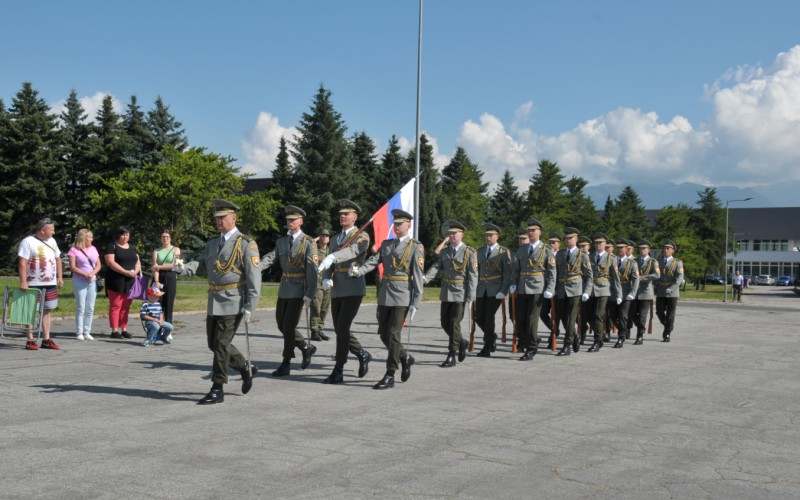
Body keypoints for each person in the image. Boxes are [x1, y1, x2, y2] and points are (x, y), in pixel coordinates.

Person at [197, 200, 261, 405]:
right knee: (213, 344)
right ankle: (244, 367)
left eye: (222, 217)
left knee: (222, 345)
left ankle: (217, 388)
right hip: (214, 300)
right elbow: (199, 265)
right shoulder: (212, 244)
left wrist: (250, 306)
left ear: (234, 218)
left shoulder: (245, 243)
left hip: (234, 300)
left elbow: (254, 277)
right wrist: (177, 266)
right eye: (216, 218)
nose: (219, 221)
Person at [352, 209, 424, 389]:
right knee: (384, 335)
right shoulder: (386, 244)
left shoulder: (416, 246)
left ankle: (390, 373)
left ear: (408, 225)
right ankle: (405, 357)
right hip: (385, 295)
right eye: (395, 223)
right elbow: (374, 261)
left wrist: (416, 302)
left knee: (393, 333)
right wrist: (359, 271)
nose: (397, 226)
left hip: (402, 296)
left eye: (400, 224)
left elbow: (417, 275)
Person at [317, 199, 373, 384]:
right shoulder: (335, 239)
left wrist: (333, 255)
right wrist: (326, 276)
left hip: (353, 286)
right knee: (340, 329)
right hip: (337, 288)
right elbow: (330, 264)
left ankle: (338, 369)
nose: (342, 216)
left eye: (346, 214)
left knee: (342, 329)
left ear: (354, 217)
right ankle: (361, 353)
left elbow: (352, 252)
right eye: (341, 213)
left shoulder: (362, 236)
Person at [260, 205, 318, 377]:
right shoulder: (282, 241)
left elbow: (312, 269)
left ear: (300, 221)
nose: (290, 222)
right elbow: (272, 257)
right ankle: (305, 347)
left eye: (293, 219)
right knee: (281, 324)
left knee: (289, 325)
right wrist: (257, 267)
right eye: (288, 220)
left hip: (299, 288)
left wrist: (310, 293)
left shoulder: (308, 242)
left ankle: (286, 362)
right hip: (285, 286)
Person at [423, 220, 478, 367]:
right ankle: (461, 342)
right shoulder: (445, 252)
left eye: (455, 233)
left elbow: (473, 276)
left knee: (454, 322)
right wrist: (425, 279)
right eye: (450, 233)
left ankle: (452, 353)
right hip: (446, 291)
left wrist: (471, 296)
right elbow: (436, 267)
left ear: (462, 234)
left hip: (460, 292)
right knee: (444, 323)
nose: (452, 235)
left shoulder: (469, 252)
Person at [510, 218, 556, 360]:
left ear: (539, 232)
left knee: (531, 319)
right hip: (523, 287)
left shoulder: (547, 250)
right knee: (519, 319)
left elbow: (551, 271)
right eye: (529, 230)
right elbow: (516, 269)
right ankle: (533, 340)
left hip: (537, 287)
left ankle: (531, 348)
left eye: (533, 230)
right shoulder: (522, 249)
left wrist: (550, 288)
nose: (530, 233)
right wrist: (513, 283)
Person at [17, 217, 63, 350]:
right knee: (30, 310)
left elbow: (58, 259)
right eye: (52, 230)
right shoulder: (27, 242)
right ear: (42, 230)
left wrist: (59, 277)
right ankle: (30, 339)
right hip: (33, 282)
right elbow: (22, 262)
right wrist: (23, 281)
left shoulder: (52, 241)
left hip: (50, 283)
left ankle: (46, 339)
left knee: (47, 310)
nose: (54, 232)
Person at [474, 223, 513, 357]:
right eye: (486, 235)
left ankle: (487, 345)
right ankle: (492, 336)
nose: (488, 237)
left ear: (497, 236)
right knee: (478, 317)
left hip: (496, 289)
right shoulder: (479, 251)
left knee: (489, 316)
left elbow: (507, 274)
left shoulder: (503, 252)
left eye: (491, 235)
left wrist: (504, 290)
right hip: (481, 289)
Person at [554, 227, 593, 356]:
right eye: (567, 238)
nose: (568, 240)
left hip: (575, 288)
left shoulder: (582, 255)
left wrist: (587, 291)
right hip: (561, 289)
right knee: (563, 317)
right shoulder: (560, 254)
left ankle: (567, 344)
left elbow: (588, 275)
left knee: (571, 317)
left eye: (571, 238)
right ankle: (575, 335)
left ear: (576, 239)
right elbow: (556, 273)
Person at [104, 226, 141, 339]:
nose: (125, 237)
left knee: (126, 306)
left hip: (130, 280)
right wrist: (125, 272)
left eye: (127, 234)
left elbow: (138, 262)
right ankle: (114, 330)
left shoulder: (132, 247)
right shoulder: (112, 246)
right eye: (123, 234)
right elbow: (111, 262)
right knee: (116, 306)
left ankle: (124, 329)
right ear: (118, 235)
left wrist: (135, 272)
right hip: (116, 280)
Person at [586, 232, 621, 353]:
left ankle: (597, 340)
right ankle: (600, 335)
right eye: (596, 243)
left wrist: (619, 294)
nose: (598, 245)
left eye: (600, 243)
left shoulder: (611, 258)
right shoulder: (589, 257)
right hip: (590, 289)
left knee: (598, 315)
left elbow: (616, 278)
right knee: (588, 315)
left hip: (604, 289)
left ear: (605, 244)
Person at [68, 228, 101, 340]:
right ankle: (79, 332)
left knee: (90, 307)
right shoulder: (74, 250)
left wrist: (92, 273)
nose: (91, 239)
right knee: (81, 307)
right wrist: (84, 274)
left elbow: (98, 265)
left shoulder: (93, 249)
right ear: (83, 238)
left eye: (91, 237)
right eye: (89, 238)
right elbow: (73, 267)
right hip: (79, 280)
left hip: (92, 280)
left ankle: (87, 331)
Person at [655, 239, 684, 342]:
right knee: (659, 312)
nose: (666, 250)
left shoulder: (677, 263)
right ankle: (669, 326)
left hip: (672, 292)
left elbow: (679, 279)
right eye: (664, 248)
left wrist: (671, 289)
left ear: (673, 251)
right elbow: (656, 276)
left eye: (668, 249)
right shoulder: (658, 262)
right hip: (661, 290)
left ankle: (667, 333)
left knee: (670, 314)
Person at [632, 239, 660, 345]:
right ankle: (640, 328)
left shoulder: (653, 262)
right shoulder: (635, 261)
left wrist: (641, 278)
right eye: (640, 248)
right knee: (633, 314)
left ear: (648, 250)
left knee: (642, 315)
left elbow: (657, 275)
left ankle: (640, 335)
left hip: (646, 291)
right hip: (635, 291)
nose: (642, 250)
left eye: (644, 248)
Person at [613, 238, 639, 348]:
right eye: (618, 247)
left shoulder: (632, 263)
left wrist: (632, 293)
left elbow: (636, 278)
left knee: (623, 315)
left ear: (626, 249)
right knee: (612, 315)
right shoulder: (612, 260)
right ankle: (623, 330)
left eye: (622, 248)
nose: (620, 250)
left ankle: (622, 336)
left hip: (626, 291)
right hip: (613, 291)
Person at [151, 229, 180, 324]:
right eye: (163, 237)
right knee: (157, 303)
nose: (165, 238)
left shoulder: (176, 249)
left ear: (170, 238)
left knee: (169, 303)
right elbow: (154, 268)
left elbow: (173, 265)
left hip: (170, 276)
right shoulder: (156, 251)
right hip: (159, 277)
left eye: (167, 237)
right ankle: (156, 326)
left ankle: (168, 327)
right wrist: (156, 281)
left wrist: (158, 266)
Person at [309, 228, 331, 341]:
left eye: (327, 236)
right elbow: (307, 246)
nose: (325, 237)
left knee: (324, 308)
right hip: (317, 283)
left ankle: (320, 329)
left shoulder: (331, 251)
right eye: (322, 235)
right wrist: (315, 240)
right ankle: (314, 331)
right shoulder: (314, 249)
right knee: (316, 307)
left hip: (327, 283)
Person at [540, 232, 562, 340]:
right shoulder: (544, 254)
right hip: (546, 288)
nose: (551, 244)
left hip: (558, 289)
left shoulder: (562, 255)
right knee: (542, 312)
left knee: (556, 314)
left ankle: (553, 336)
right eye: (550, 242)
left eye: (554, 242)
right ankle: (554, 329)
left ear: (559, 244)